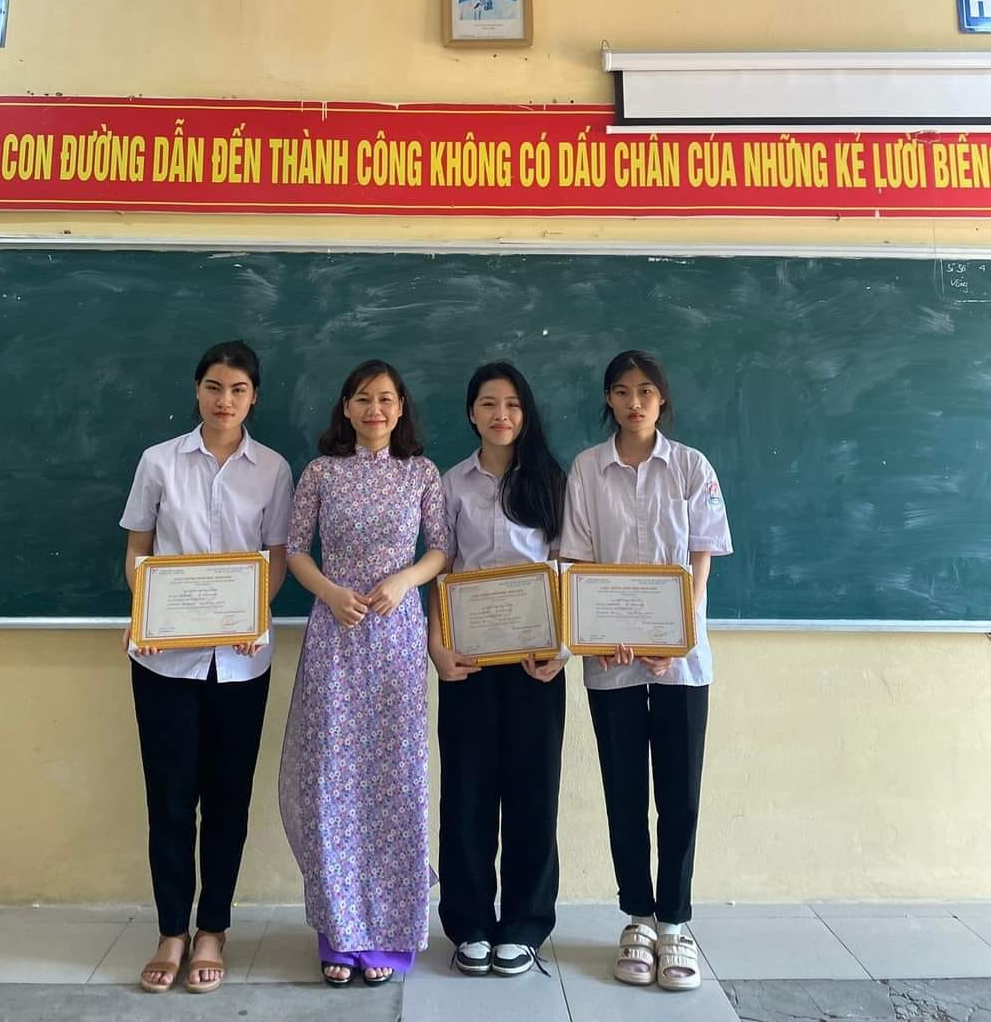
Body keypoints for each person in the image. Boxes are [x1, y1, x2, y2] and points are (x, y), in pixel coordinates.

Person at [121, 339, 293, 994]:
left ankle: (213, 928)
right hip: (163, 660)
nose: (226, 400)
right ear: (197, 390)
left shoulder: (272, 469)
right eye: (215, 387)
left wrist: (253, 614)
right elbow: (138, 551)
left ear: (254, 398)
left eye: (239, 390)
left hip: (242, 664)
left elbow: (276, 557)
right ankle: (172, 930)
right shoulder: (158, 462)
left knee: (227, 800)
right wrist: (148, 613)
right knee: (169, 800)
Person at [560, 350, 732, 992]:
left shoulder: (690, 466)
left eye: (646, 391)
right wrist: (595, 635)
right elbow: (577, 562)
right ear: (608, 399)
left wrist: (677, 636)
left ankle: (675, 924)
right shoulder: (587, 468)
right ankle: (636, 916)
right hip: (612, 664)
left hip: (681, 665)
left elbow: (702, 557)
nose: (634, 403)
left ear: (662, 400)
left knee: (679, 796)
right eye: (622, 391)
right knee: (625, 792)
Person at [279, 360, 452, 987]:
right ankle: (339, 931)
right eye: (361, 398)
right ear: (346, 408)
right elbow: (294, 550)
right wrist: (329, 592)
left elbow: (441, 550)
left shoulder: (421, 473)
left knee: (396, 777)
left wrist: (405, 579)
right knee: (333, 780)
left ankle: (388, 933)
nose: (373, 409)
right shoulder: (321, 473)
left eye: (384, 399)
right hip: (336, 637)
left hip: (398, 640)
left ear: (400, 408)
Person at [431, 362, 567, 978]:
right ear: (471, 413)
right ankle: (470, 924)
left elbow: (567, 566)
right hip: (469, 661)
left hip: (536, 663)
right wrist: (437, 647)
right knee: (467, 792)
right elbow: (441, 570)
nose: (501, 415)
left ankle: (525, 924)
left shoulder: (552, 481)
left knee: (534, 791)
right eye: (488, 403)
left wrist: (562, 648)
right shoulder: (450, 483)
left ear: (525, 412)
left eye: (512, 404)